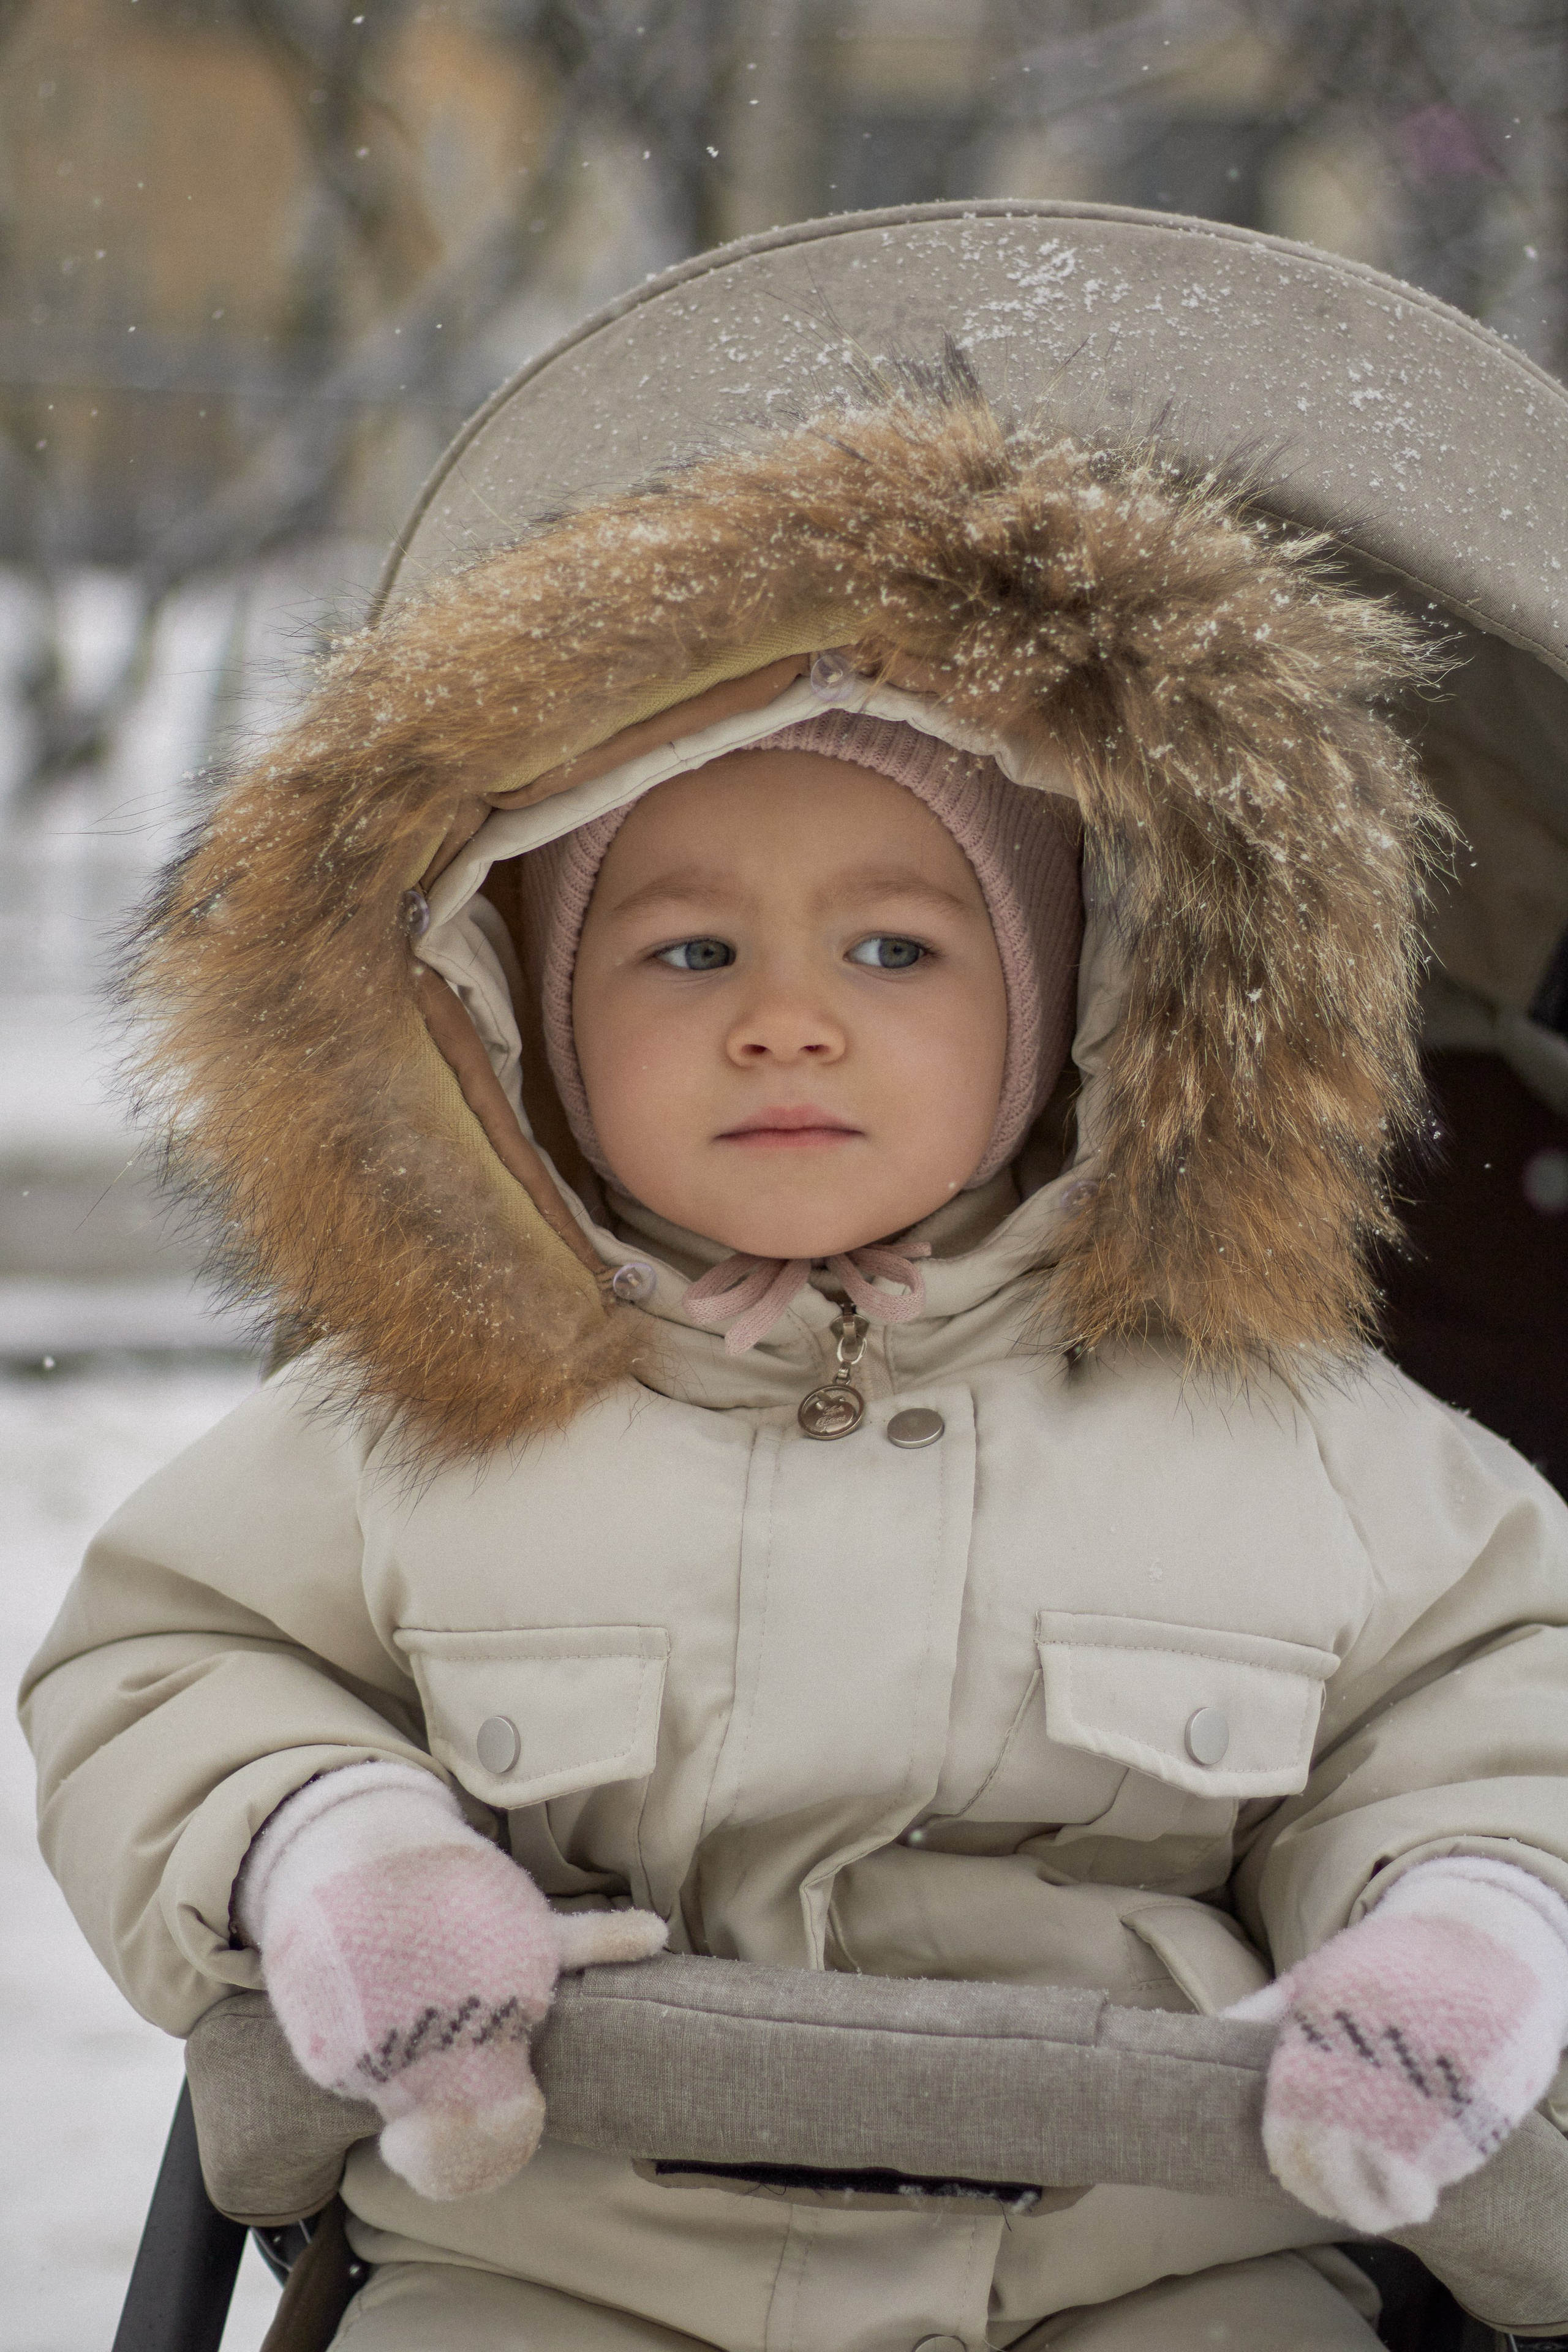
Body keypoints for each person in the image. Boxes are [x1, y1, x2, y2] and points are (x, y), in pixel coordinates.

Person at [21, 364, 1568, 2351]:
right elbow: (167, 1661)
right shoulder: (415, 1419)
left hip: (1154, 2247)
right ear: (522, 1011)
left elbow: (1491, 1692)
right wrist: (340, 1845)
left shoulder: (1280, 1423)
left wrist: (1450, 1920)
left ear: (1071, 1004)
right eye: (686, 954)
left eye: (896, 951)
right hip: (545, 2247)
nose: (785, 1024)